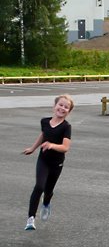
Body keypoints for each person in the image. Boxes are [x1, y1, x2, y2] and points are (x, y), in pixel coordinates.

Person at [23, 95, 75, 230]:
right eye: (60, 105)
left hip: (56, 164)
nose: (62, 108)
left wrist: (51, 145)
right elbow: (43, 135)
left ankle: (46, 204)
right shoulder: (44, 121)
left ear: (69, 111)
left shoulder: (66, 127)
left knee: (48, 190)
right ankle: (30, 219)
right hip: (43, 160)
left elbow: (65, 148)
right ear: (54, 106)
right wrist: (33, 148)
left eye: (66, 107)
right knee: (39, 186)